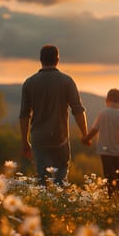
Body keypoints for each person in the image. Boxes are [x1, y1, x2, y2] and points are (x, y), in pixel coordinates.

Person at [19, 44, 89, 186]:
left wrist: (25, 142)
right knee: (61, 179)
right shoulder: (67, 81)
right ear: (57, 59)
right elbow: (78, 110)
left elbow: (24, 115)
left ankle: (43, 206)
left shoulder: (29, 83)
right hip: (60, 137)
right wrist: (85, 134)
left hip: (39, 138)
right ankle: (61, 205)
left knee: (42, 181)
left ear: (40, 59)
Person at [83, 88, 119, 196]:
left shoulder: (102, 114)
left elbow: (95, 130)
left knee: (109, 177)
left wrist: (87, 139)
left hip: (105, 152)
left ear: (106, 100)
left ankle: (111, 197)